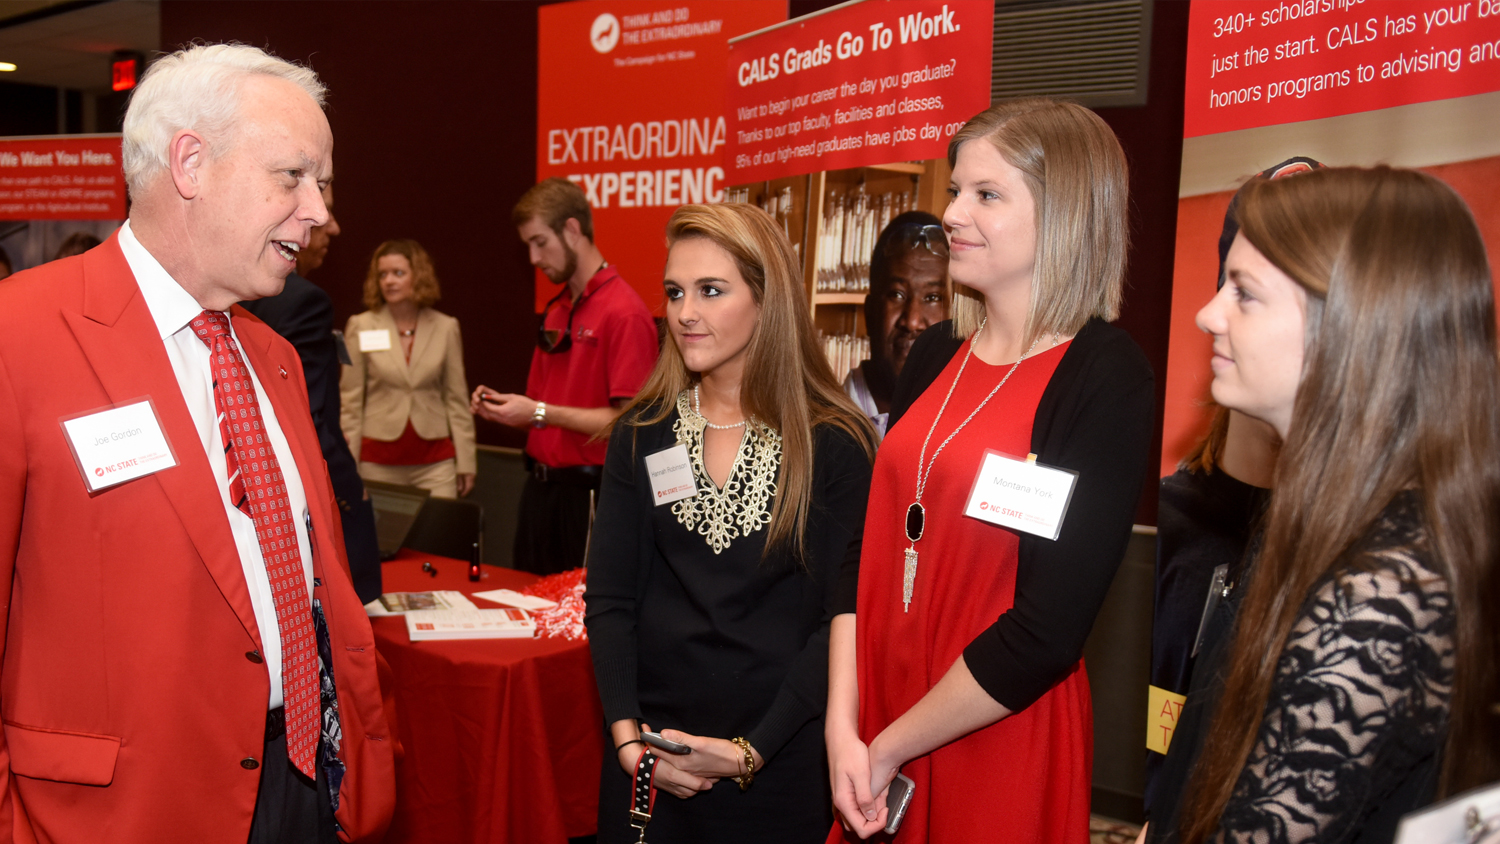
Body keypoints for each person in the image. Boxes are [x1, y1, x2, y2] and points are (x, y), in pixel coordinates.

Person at [0, 43, 395, 843]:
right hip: (114, 815)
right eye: (294, 177)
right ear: (190, 163)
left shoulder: (275, 357)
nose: (319, 211)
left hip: (305, 787)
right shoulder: (20, 335)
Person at [827, 98, 1155, 842]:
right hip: (874, 721)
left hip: (992, 736)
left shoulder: (1103, 376)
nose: (952, 214)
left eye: (986, 194)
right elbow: (860, 550)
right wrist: (842, 728)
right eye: (954, 190)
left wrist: (886, 747)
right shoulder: (937, 351)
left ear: (1065, 211)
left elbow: (1047, 630)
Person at [1145, 166, 1500, 843]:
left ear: (1353, 330)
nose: (1207, 313)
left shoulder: (1379, 592)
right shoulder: (1321, 523)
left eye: (1244, 294)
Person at [584, 203, 876, 843]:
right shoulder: (643, 433)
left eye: (711, 291)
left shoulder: (833, 444)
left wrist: (751, 752)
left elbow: (842, 621)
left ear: (767, 301)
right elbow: (610, 600)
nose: (685, 312)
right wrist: (630, 742)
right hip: (651, 767)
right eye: (675, 291)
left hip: (779, 766)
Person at [471, 177, 657, 575]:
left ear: (572, 230)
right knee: (530, 606)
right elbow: (543, 407)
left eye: (540, 242)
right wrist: (509, 411)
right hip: (538, 492)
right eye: (528, 246)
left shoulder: (624, 311)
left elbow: (628, 423)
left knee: (578, 622)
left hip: (589, 495)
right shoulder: (557, 310)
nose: (534, 258)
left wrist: (538, 412)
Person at [241, 183, 382, 603]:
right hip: (307, 505)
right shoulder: (303, 302)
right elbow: (308, 419)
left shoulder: (235, 298)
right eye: (325, 212)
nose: (331, 227)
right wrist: (349, 493)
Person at [341, 239, 477, 499]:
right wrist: (349, 465)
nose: (389, 281)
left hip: (435, 462)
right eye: (383, 274)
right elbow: (350, 401)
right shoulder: (361, 326)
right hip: (377, 461)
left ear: (419, 276)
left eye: (398, 273)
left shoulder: (446, 327)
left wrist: (467, 461)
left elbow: (457, 399)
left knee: (436, 538)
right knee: (384, 539)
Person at [843, 210, 949, 438]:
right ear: (869, 313)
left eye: (932, 298)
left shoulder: (960, 431)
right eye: (897, 295)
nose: (911, 321)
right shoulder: (818, 428)